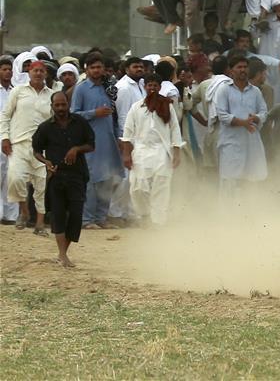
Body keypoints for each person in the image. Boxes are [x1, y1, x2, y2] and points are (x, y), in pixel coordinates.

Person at [31, 91, 94, 267]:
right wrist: (46, 162)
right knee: (58, 215)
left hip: (77, 175)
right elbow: (36, 150)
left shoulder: (80, 123)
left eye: (63, 104)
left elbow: (91, 145)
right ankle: (62, 254)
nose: (60, 108)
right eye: (57, 105)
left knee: (76, 215)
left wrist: (76, 149)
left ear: (68, 104)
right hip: (56, 176)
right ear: (52, 106)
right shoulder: (45, 128)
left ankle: (62, 253)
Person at [121, 74, 183, 227]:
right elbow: (128, 132)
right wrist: (126, 154)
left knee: (161, 186)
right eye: (150, 85)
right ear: (145, 87)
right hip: (141, 150)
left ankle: (158, 222)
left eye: (155, 85)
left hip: (162, 151)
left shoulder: (167, 106)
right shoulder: (136, 107)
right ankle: (145, 215)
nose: (152, 88)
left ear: (160, 87)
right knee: (137, 187)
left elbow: (175, 129)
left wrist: (177, 152)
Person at [70, 54, 123, 230]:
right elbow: (74, 115)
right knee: (91, 180)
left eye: (99, 67)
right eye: (92, 68)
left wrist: (118, 137)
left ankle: (101, 218)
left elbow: (114, 115)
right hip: (90, 141)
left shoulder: (109, 88)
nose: (96, 70)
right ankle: (87, 220)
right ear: (87, 70)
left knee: (107, 178)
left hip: (108, 140)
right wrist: (94, 113)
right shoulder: (81, 89)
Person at [1, 60, 53, 233]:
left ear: (45, 73)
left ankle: (39, 224)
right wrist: (4, 138)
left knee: (41, 185)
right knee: (15, 179)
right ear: (29, 73)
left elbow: (55, 122)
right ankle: (24, 211)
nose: (38, 73)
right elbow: (5, 115)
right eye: (35, 70)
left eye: (41, 71)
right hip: (19, 144)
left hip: (42, 148)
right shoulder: (18, 91)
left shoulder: (51, 95)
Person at [214, 54, 269, 199]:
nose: (243, 70)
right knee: (230, 180)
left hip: (251, 142)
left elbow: (264, 112)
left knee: (251, 180)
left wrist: (256, 118)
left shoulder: (255, 91)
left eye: (245, 67)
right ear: (231, 70)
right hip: (231, 142)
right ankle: (228, 212)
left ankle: (249, 210)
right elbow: (222, 115)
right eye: (239, 67)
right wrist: (243, 123)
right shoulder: (224, 90)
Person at [0, 57, 18, 225]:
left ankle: (10, 215)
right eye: (4, 69)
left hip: (13, 138)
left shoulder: (16, 91)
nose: (7, 72)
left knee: (11, 176)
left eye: (9, 69)